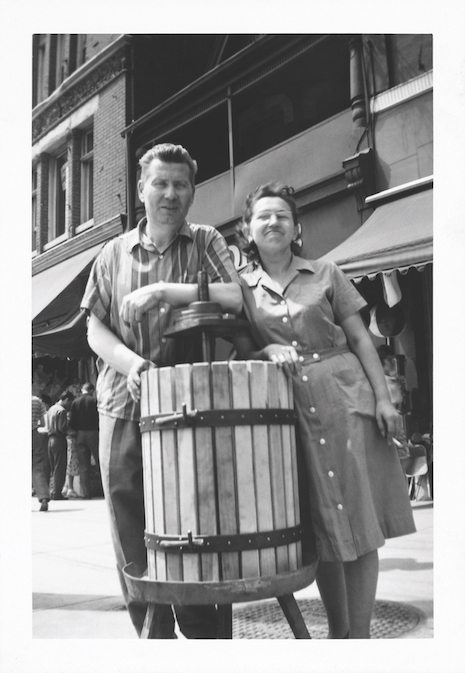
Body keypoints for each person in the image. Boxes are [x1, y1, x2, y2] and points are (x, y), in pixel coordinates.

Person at [233, 183, 416, 639]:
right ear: (247, 230)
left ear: (297, 227)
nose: (272, 222)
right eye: (262, 217)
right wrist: (266, 351)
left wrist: (384, 400)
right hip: (291, 414)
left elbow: (359, 339)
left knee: (360, 521)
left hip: (346, 400)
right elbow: (240, 353)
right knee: (324, 529)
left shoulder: (326, 272)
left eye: (281, 216)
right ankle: (339, 639)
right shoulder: (240, 290)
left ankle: (360, 638)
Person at [81, 143, 242, 639]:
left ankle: (204, 635)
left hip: (192, 408)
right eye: (160, 183)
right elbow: (94, 328)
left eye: (180, 184)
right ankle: (151, 638)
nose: (170, 194)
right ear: (141, 190)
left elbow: (236, 298)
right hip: (123, 407)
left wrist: (164, 291)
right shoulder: (111, 252)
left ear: (193, 191)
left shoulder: (207, 241)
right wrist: (131, 364)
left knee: (197, 525)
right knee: (130, 530)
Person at [68, 382, 100, 499]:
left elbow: (71, 421)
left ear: (82, 390)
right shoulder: (94, 401)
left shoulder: (75, 402)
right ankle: (105, 491)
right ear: (92, 390)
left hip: (80, 434)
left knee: (83, 465)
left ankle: (86, 493)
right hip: (94, 433)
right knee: (99, 461)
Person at [46, 391, 74, 500]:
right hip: (59, 439)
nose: (69, 404)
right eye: (70, 402)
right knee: (60, 467)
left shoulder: (52, 408)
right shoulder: (62, 411)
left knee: (53, 467)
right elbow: (62, 428)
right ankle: (57, 493)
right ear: (66, 399)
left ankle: (52, 490)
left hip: (50, 439)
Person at [32, 395, 50, 511]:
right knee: (37, 467)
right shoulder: (37, 401)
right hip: (34, 435)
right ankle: (43, 498)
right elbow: (43, 423)